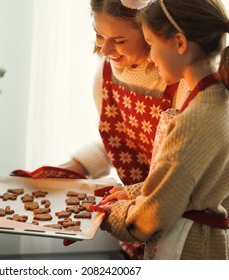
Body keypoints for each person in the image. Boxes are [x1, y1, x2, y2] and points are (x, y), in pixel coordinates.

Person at [98, 0, 229, 259]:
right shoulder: (220, 97)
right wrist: (131, 192)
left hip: (195, 251)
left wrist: (110, 215)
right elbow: (190, 183)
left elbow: (154, 214)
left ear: (179, 44)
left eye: (151, 44)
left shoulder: (195, 120)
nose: (149, 56)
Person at [58, 0, 188, 259]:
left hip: (184, 204)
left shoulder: (180, 81)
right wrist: (77, 166)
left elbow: (185, 171)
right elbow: (120, 139)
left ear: (152, 34)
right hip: (143, 203)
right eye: (99, 35)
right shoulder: (106, 73)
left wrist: (132, 196)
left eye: (119, 39)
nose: (105, 49)